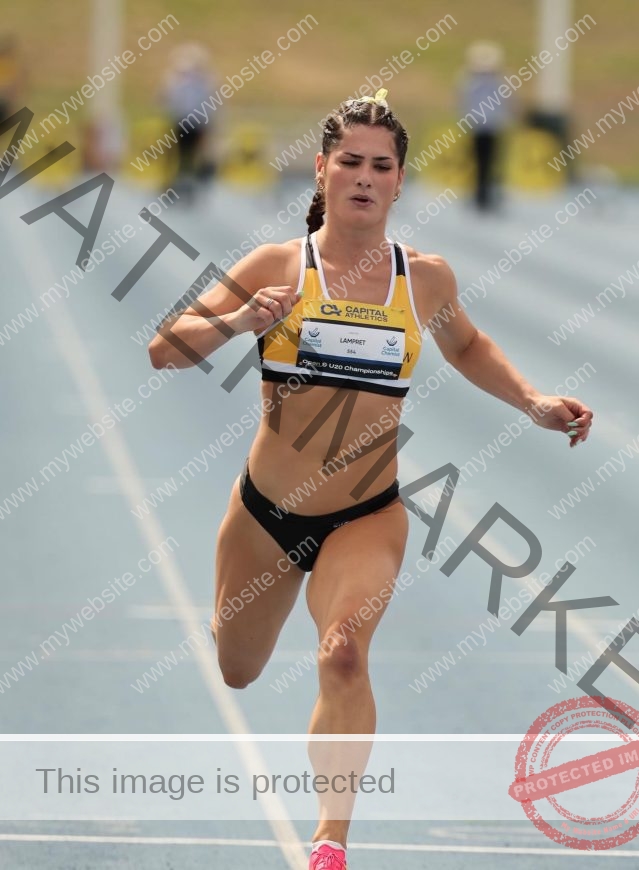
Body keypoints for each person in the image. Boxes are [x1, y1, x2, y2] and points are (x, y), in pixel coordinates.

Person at [147, 88, 593, 869]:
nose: (363, 176)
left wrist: (533, 401)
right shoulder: (277, 267)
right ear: (321, 170)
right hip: (266, 514)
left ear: (398, 180)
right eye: (348, 161)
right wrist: (240, 321)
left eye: (380, 166)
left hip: (368, 513)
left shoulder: (422, 280)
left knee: (343, 654)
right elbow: (164, 348)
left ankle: (330, 841)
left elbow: (466, 347)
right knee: (237, 669)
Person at [456, 41, 511, 212]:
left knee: (489, 163)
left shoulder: (494, 83)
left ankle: (487, 194)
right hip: (480, 128)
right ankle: (481, 195)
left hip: (489, 128)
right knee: (480, 163)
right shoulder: (473, 83)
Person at [160, 42, 217, 200]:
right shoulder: (174, 80)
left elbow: (209, 104)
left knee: (192, 157)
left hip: (196, 124)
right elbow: (167, 100)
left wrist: (208, 127)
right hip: (180, 122)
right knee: (175, 157)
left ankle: (190, 186)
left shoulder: (205, 82)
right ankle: (172, 185)